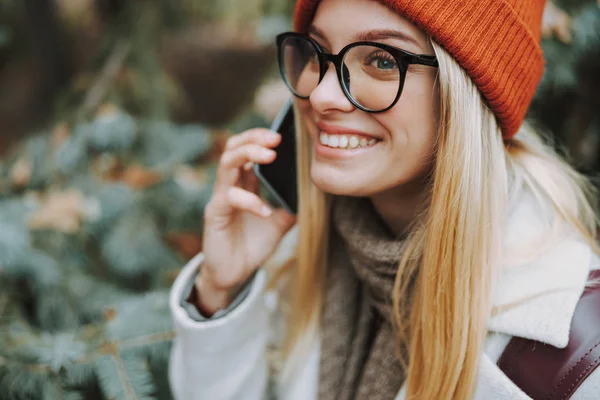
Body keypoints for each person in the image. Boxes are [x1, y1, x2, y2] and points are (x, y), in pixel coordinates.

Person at [168, 0, 600, 398]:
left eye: (381, 60)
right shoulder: (304, 254)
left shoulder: (573, 358)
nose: (320, 95)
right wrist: (220, 292)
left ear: (466, 94)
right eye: (316, 51)